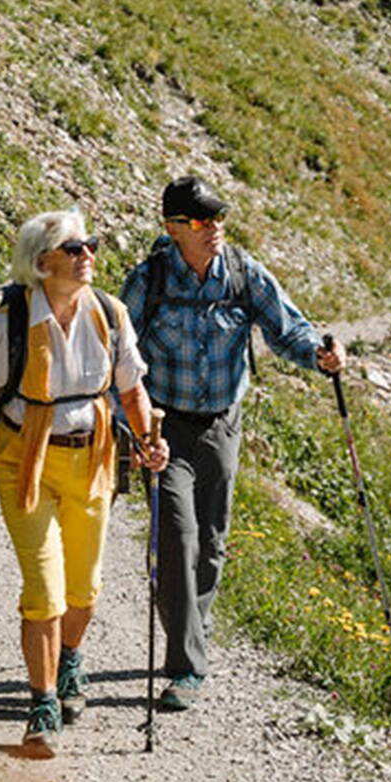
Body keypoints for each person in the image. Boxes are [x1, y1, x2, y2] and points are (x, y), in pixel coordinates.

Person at [121, 176, 345, 712]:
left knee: (212, 540)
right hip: (164, 426)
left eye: (219, 217)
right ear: (174, 228)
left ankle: (190, 624)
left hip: (222, 421)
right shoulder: (149, 280)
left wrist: (320, 353)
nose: (214, 228)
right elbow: (118, 349)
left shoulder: (243, 274)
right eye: (201, 221)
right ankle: (185, 668)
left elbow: (287, 328)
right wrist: (124, 424)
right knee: (178, 537)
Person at [0, 208, 167, 759]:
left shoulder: (109, 313)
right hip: (24, 463)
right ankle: (43, 703)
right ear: (42, 263)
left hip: (93, 460)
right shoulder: (12, 323)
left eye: (89, 245)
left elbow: (131, 391)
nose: (87, 255)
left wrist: (149, 440)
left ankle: (70, 657)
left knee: (84, 590)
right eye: (75, 249)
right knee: (45, 590)